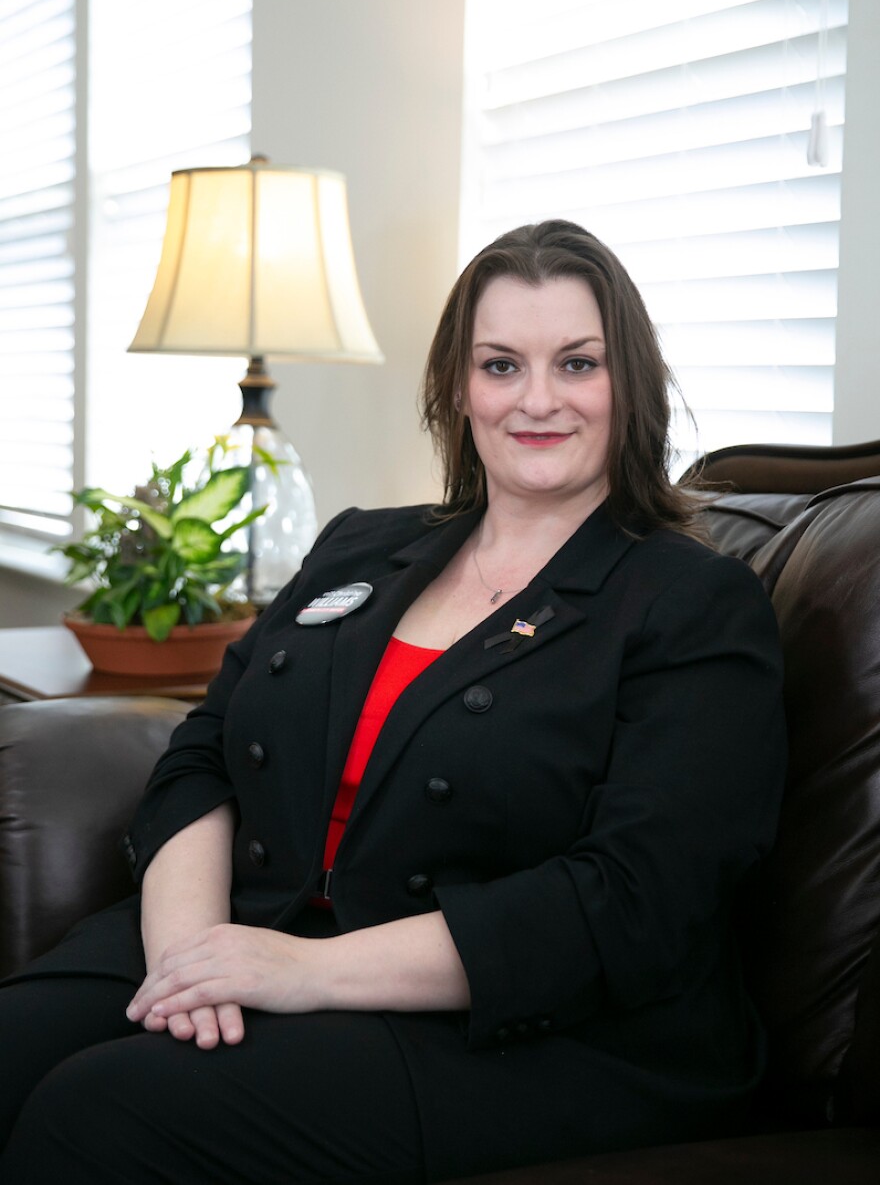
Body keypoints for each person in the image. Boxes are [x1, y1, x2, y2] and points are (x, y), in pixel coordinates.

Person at [0, 221, 786, 1185]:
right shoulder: (362, 547)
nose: (538, 399)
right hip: (258, 925)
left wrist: (300, 972)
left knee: (100, 1114)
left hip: (532, 1030)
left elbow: (632, 900)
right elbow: (204, 749)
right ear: (459, 389)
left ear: (629, 382)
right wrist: (194, 955)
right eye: (502, 365)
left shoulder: (692, 603)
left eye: (577, 363)